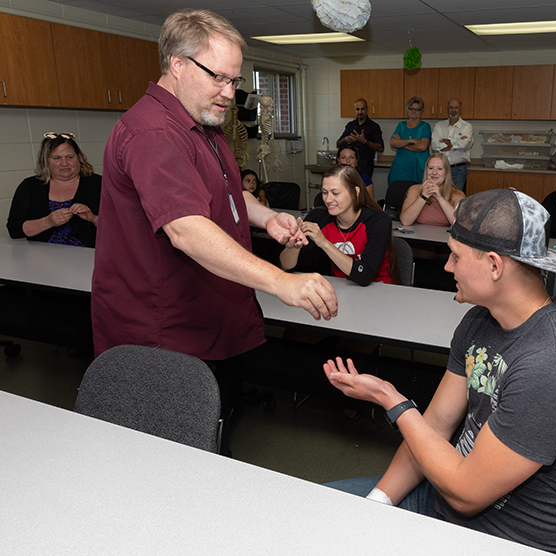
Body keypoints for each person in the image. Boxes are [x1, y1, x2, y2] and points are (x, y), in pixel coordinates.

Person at [323, 188, 556, 556]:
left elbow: (465, 495)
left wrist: (390, 399)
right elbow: (435, 427)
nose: (446, 267)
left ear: (495, 265)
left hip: (509, 538)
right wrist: (378, 503)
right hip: (442, 498)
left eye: (456, 256)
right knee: (316, 516)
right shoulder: (480, 319)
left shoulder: (555, 364)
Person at [91, 9, 337, 442]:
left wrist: (266, 217)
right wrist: (281, 282)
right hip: (164, 335)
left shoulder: (202, 121)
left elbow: (223, 193)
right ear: (178, 65)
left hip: (209, 319)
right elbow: (186, 229)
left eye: (235, 81)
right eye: (219, 78)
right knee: (166, 462)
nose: (228, 93)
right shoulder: (154, 133)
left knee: (211, 446)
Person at [280, 164, 398, 286]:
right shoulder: (319, 218)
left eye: (335, 193)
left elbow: (365, 275)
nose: (328, 199)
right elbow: (285, 267)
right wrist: (294, 245)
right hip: (342, 286)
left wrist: (324, 243)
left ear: (355, 192)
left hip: (380, 289)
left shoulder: (378, 221)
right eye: (324, 192)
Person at [7, 133, 100, 248]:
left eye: (70, 157)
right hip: (41, 257)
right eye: (57, 158)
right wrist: (48, 222)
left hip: (88, 257)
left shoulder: (99, 184)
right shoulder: (30, 186)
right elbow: (14, 230)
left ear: (78, 158)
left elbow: (120, 226)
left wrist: (93, 218)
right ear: (46, 161)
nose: (64, 163)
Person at [400, 153, 465, 227]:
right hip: (418, 236)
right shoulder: (414, 190)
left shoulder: (458, 195)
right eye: (431, 168)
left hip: (444, 238)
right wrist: (424, 196)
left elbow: (459, 225)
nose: (434, 173)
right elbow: (405, 221)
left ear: (446, 172)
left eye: (439, 169)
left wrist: (440, 198)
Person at [431, 98, 473, 192]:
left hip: (458, 170)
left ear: (460, 110)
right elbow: (434, 145)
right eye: (451, 107)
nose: (453, 110)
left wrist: (448, 142)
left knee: (455, 198)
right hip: (440, 169)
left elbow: (464, 145)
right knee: (438, 195)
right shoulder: (439, 126)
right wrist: (456, 142)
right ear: (447, 109)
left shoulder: (467, 126)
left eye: (456, 107)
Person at [336, 98, 384, 179]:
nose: (360, 112)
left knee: (363, 188)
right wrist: (346, 139)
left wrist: (365, 141)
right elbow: (338, 144)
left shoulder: (374, 127)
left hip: (365, 166)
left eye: (362, 109)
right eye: (357, 109)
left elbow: (380, 148)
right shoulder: (350, 125)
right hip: (350, 165)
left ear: (367, 109)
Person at [388, 96, 431, 185]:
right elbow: (392, 143)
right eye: (411, 108)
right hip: (400, 169)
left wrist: (402, 143)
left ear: (421, 111)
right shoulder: (401, 125)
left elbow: (423, 147)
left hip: (417, 169)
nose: (414, 111)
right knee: (398, 194)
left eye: (417, 109)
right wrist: (410, 140)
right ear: (407, 110)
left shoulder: (425, 127)